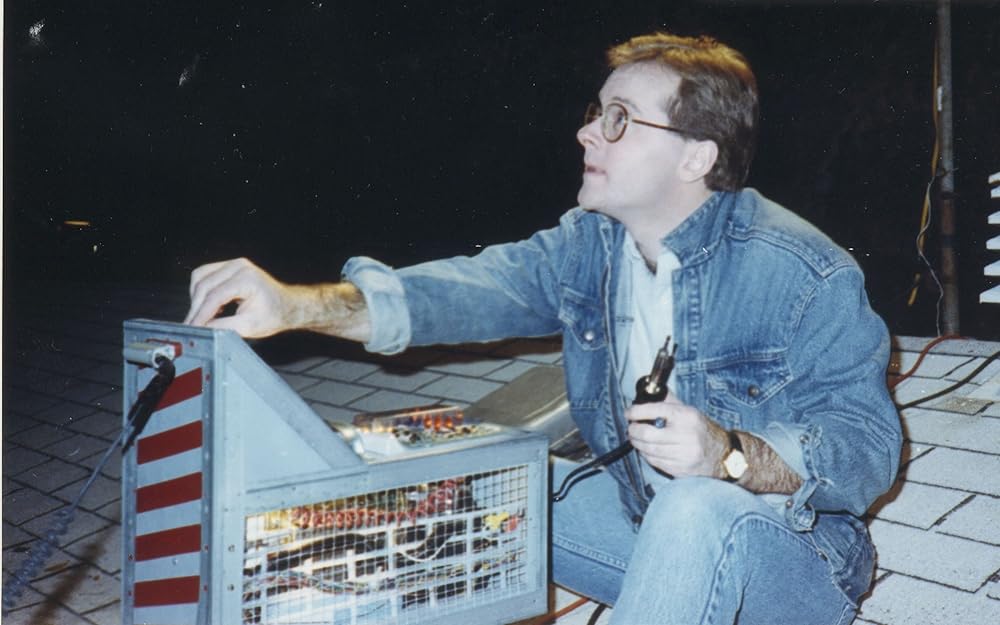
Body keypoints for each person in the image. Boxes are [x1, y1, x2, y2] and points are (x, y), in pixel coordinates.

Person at [185, 32, 902, 625]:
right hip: (641, 525)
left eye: (619, 118)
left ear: (696, 156)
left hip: (792, 563)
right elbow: (460, 293)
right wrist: (294, 305)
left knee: (692, 504)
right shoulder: (590, 246)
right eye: (596, 112)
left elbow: (867, 449)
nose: (587, 131)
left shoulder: (801, 271)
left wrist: (730, 456)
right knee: (472, 469)